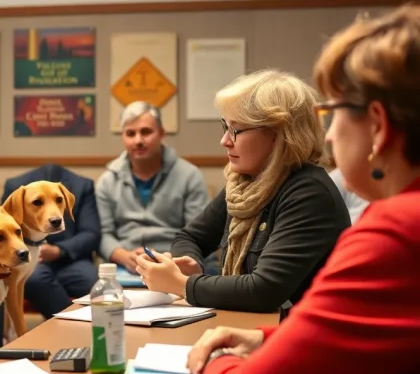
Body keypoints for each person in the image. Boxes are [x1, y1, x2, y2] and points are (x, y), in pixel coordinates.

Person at [185, 5, 420, 374]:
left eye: (332, 115)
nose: (327, 137)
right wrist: (269, 340)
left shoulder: (397, 233)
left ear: (378, 125)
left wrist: (217, 362)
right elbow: (376, 341)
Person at [136, 69, 351, 318]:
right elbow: (191, 237)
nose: (225, 141)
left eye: (236, 130)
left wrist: (180, 285)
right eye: (224, 127)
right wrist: (189, 262)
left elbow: (264, 290)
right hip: (258, 326)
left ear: (278, 134)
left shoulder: (309, 193)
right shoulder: (244, 183)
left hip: (305, 337)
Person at [96, 101, 211, 274]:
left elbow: (199, 234)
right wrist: (122, 255)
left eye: (146, 132)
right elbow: (103, 233)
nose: (138, 140)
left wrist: (167, 259)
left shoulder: (190, 175)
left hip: (177, 263)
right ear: (123, 137)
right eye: (130, 133)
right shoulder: (107, 181)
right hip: (125, 266)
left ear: (162, 133)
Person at [1, 164, 100, 317]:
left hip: (70, 259)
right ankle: (71, 325)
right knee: (35, 278)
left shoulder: (82, 185)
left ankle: (73, 323)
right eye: (38, 202)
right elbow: (7, 226)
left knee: (92, 281)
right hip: (29, 257)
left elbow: (91, 233)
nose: (53, 214)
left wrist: (59, 250)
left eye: (58, 200)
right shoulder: (15, 187)